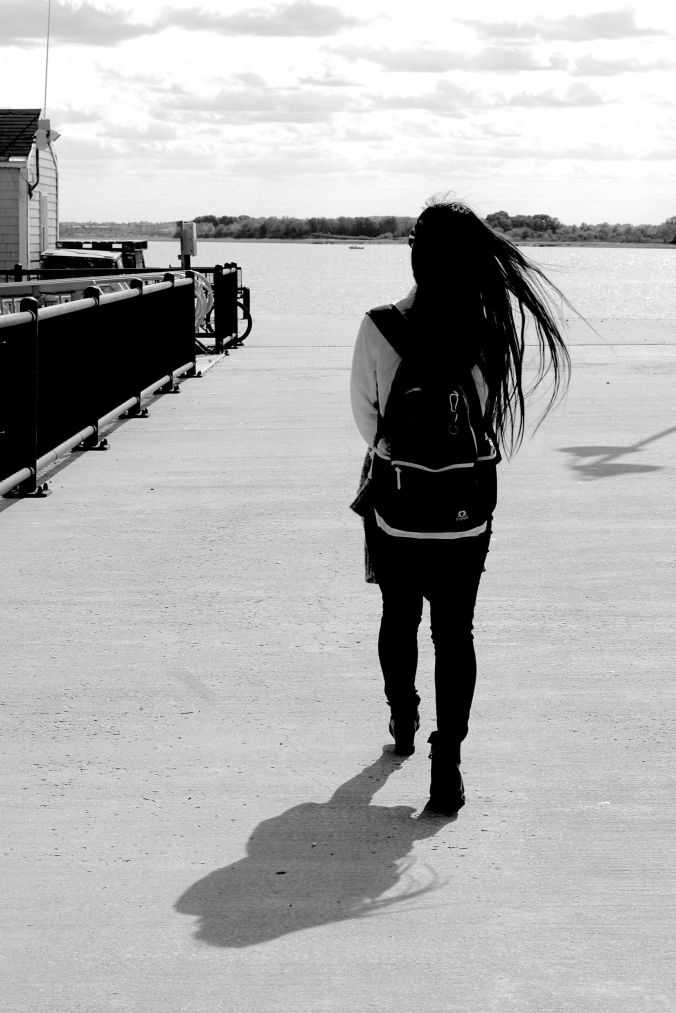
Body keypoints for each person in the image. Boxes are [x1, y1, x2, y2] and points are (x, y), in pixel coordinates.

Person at [350, 196, 572, 815]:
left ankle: (402, 720)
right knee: (456, 633)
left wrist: (402, 457)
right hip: (465, 514)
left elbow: (367, 422)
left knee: (399, 616)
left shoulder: (379, 325)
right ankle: (446, 763)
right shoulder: (491, 329)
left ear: (418, 255)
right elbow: (489, 418)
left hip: (397, 508)